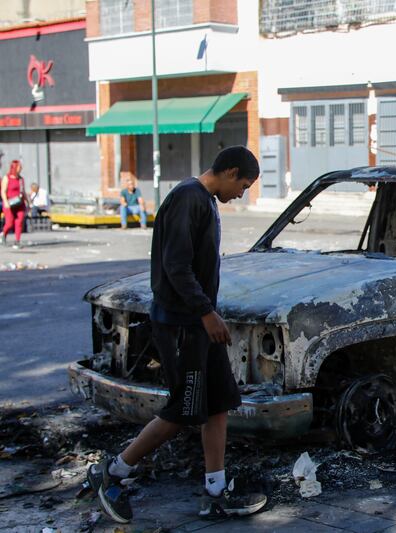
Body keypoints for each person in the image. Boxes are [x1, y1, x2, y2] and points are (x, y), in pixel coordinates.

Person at [86, 146, 267, 524]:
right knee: (183, 411)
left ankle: (216, 493)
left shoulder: (202, 199)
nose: (243, 194)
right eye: (244, 185)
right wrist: (206, 313)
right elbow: (176, 266)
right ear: (230, 172)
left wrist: (209, 316)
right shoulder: (189, 198)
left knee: (217, 404)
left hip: (200, 325)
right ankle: (115, 471)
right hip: (184, 325)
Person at [1, 160, 30, 249]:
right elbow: (3, 191)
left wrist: (27, 202)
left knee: (19, 221)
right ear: (14, 168)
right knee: (9, 223)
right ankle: (3, 234)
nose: (20, 168)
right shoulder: (7, 178)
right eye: (19, 167)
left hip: (19, 203)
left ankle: (17, 240)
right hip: (9, 203)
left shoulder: (21, 179)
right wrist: (5, 202)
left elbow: (23, 191)